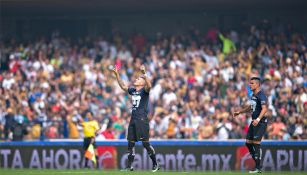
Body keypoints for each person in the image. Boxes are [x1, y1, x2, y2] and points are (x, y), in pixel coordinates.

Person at [112, 65, 160, 172]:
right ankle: (129, 166)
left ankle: (155, 164)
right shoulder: (133, 90)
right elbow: (123, 87)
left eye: (138, 79)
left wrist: (144, 74)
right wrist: (117, 75)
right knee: (130, 143)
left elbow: (150, 85)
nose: (136, 79)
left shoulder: (144, 91)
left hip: (142, 120)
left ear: (142, 83)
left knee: (145, 143)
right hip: (133, 119)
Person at [233, 77, 268, 173]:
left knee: (255, 143)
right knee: (248, 143)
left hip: (260, 122)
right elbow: (251, 107)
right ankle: (258, 163)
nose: (250, 85)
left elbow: (264, 109)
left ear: (257, 84)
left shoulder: (261, 95)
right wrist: (240, 112)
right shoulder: (253, 95)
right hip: (254, 122)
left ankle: (258, 167)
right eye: (250, 83)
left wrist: (258, 119)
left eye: (252, 83)